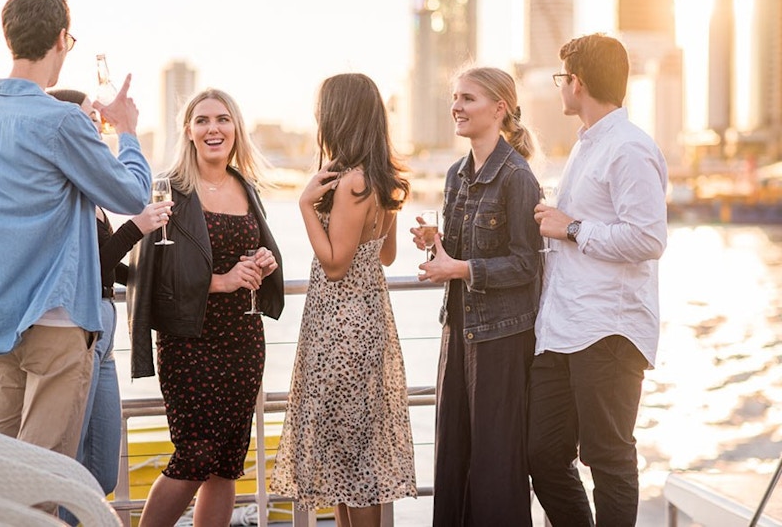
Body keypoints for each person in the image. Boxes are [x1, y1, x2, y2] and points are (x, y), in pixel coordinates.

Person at [0, 0, 151, 459]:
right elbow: (131, 193)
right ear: (61, 39)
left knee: (3, 471)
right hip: (56, 322)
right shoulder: (60, 120)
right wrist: (127, 131)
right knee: (44, 475)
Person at [128, 88, 284, 527]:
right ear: (189, 132)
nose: (213, 128)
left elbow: (248, 255)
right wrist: (221, 281)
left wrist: (263, 262)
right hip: (190, 342)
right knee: (194, 457)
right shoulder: (170, 192)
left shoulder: (245, 187)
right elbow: (149, 278)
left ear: (236, 129)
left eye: (222, 119)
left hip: (244, 343)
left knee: (227, 463)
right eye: (202, 120)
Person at [529, 33, 668, 526]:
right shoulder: (588, 145)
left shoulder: (629, 148)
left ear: (578, 83)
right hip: (564, 329)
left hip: (609, 328)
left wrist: (571, 227)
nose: (560, 87)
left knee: (608, 459)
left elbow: (648, 238)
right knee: (542, 453)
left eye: (561, 77)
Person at [271, 73, 417, 527]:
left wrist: (304, 209)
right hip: (367, 321)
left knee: (350, 465)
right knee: (348, 459)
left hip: (341, 330)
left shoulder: (353, 184)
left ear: (339, 117)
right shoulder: (380, 180)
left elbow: (334, 262)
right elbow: (386, 255)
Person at [410, 66, 542, 525]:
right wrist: (436, 241)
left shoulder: (518, 177)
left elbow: (528, 265)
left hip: (503, 338)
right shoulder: (455, 175)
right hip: (459, 329)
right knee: (454, 457)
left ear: (499, 108)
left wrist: (460, 267)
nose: (457, 107)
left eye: (468, 98)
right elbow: (467, 250)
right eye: (455, 97)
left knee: (496, 466)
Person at [48, 88, 172, 505]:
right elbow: (88, 265)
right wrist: (136, 227)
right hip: (78, 331)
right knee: (70, 469)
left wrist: (168, 274)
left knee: (102, 471)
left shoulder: (91, 194)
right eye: (89, 117)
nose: (98, 125)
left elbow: (113, 270)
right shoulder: (62, 193)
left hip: (104, 335)